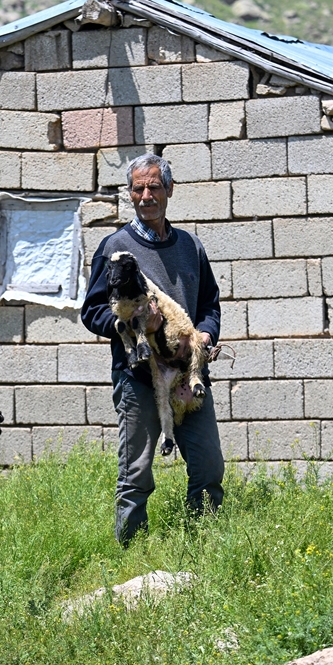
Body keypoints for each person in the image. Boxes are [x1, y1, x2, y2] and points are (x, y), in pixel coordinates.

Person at [80, 152, 224, 546]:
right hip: (139, 377)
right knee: (137, 473)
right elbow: (92, 312)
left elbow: (210, 305)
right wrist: (136, 324)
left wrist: (206, 335)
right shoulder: (116, 247)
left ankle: (203, 544)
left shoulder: (191, 246)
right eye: (138, 188)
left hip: (188, 377)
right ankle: (131, 552)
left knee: (209, 466)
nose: (146, 196)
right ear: (130, 193)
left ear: (170, 190)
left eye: (154, 187)